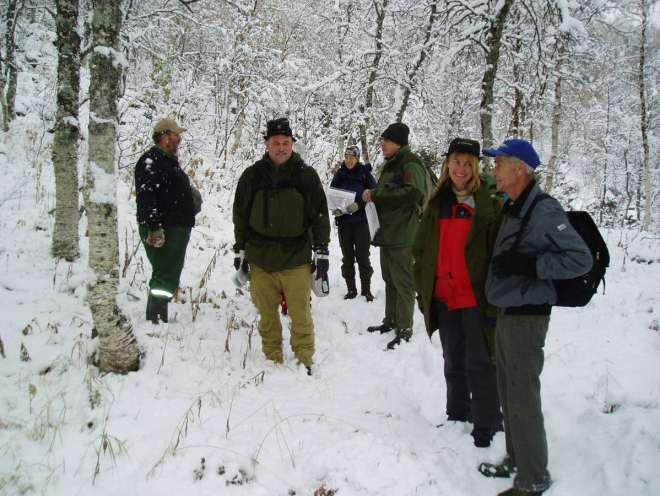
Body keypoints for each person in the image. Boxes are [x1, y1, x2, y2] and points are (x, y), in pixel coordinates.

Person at [478, 139, 592, 496]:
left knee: (523, 395)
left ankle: (533, 478)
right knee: (508, 392)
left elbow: (580, 259)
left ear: (519, 169)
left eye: (499, 164)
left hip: (527, 317)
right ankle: (517, 459)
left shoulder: (543, 210)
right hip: (509, 311)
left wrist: (531, 265)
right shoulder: (515, 205)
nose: (493, 170)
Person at [413, 138, 503, 447]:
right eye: (456, 162)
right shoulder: (438, 202)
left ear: (476, 167)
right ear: (447, 164)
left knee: (481, 361)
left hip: (476, 298)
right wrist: (421, 287)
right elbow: (421, 249)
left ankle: (488, 423)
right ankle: (457, 415)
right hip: (444, 296)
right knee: (453, 360)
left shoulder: (488, 203)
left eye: (468, 163)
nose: (461, 169)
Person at [232, 117, 330, 374]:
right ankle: (272, 356)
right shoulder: (252, 175)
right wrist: (240, 249)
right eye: (276, 142)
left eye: (286, 142)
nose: (282, 147)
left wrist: (322, 252)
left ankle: (304, 357)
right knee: (267, 314)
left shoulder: (306, 176)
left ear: (293, 144)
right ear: (267, 144)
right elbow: (240, 215)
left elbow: (319, 216)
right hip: (260, 259)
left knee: (300, 314)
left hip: (296, 258)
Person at [362, 122, 426, 349]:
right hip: (389, 233)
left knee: (404, 283)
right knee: (390, 280)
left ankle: (405, 327)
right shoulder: (392, 164)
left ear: (398, 142)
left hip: (403, 234)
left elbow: (415, 192)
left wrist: (377, 194)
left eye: (386, 141)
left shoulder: (410, 163)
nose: (382, 145)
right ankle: (390, 320)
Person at [135, 118, 202, 324]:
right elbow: (147, 197)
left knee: (169, 271)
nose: (179, 139)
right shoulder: (151, 161)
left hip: (176, 227)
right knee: (165, 273)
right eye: (176, 135)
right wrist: (155, 228)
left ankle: (158, 315)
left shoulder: (167, 160)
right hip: (165, 228)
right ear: (165, 136)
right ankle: (155, 320)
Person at [330, 145, 377, 301]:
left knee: (363, 256)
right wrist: (335, 209)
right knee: (347, 257)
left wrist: (359, 205)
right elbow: (332, 194)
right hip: (344, 222)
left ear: (357, 159)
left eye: (352, 157)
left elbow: (374, 194)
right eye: (347, 157)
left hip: (361, 222)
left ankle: (366, 290)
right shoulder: (339, 174)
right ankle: (351, 290)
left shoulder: (365, 174)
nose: (349, 160)